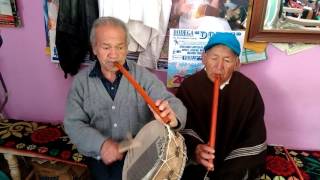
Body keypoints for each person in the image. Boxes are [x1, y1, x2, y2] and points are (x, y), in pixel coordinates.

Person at [63, 16, 187, 180]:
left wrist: (172, 117)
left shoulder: (142, 76)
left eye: (120, 47)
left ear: (127, 48)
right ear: (94, 48)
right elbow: (73, 123)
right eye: (106, 47)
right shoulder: (81, 82)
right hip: (98, 153)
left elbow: (173, 104)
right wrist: (101, 145)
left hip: (140, 152)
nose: (113, 55)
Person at [176, 33, 267, 179]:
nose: (219, 67)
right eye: (214, 58)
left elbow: (254, 133)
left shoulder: (248, 89)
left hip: (236, 158)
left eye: (227, 60)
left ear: (237, 64)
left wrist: (231, 168)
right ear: (204, 57)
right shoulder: (189, 87)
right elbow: (183, 128)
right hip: (198, 159)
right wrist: (196, 150)